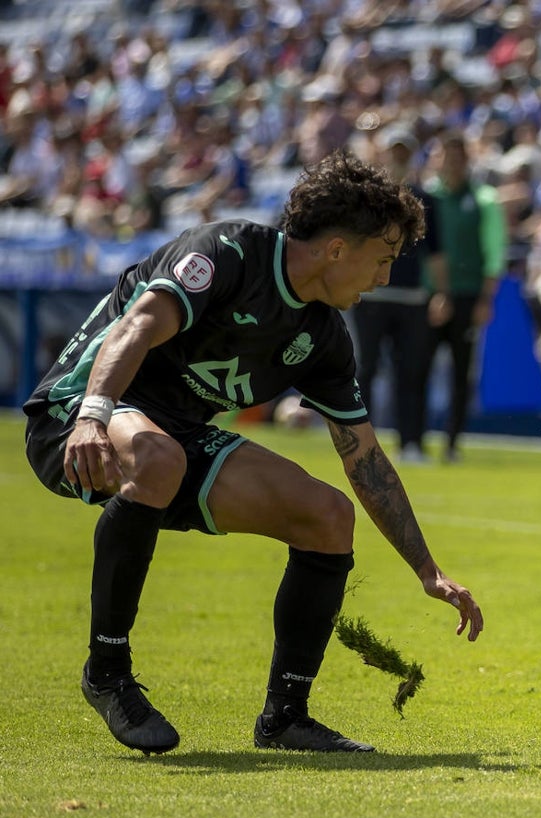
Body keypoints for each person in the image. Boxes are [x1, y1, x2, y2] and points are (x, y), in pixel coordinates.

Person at [22, 149, 484, 756]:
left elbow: (365, 460)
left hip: (173, 441)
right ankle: (106, 673)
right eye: (383, 259)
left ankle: (286, 716)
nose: (385, 278)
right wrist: (91, 415)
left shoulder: (322, 337)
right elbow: (135, 327)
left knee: (327, 516)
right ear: (338, 249)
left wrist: (428, 571)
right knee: (161, 459)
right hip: (78, 414)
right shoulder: (227, 252)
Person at [353, 126, 448, 463]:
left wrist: (441, 294)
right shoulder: (365, 199)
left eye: (403, 152)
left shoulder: (425, 200)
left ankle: (412, 443)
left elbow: (436, 254)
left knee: (412, 372)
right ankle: (360, 446)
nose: (398, 158)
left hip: (411, 298)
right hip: (370, 297)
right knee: (365, 370)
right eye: (393, 151)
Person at [422, 132, 509, 463]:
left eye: (458, 156)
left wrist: (486, 298)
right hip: (431, 295)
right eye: (447, 155)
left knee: (461, 372)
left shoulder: (483, 199)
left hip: (468, 295)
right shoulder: (429, 196)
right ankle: (414, 439)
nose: (453, 162)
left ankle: (452, 442)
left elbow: (494, 252)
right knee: (420, 367)